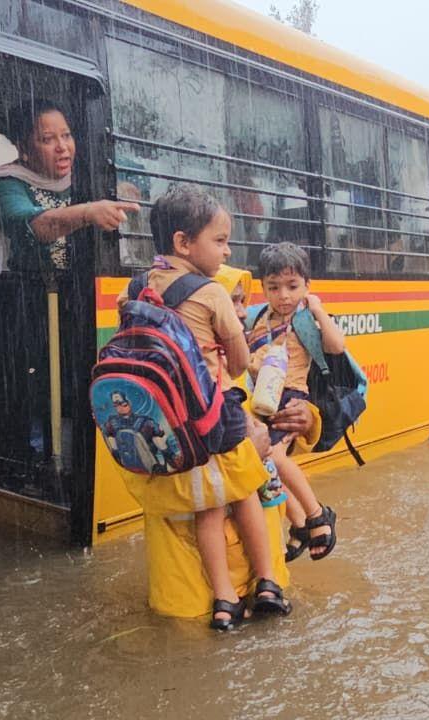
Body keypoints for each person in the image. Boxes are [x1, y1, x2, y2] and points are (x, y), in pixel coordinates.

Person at [116, 185, 288, 630]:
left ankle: (224, 601)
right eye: (220, 240)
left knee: (207, 505)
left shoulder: (134, 287)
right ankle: (267, 580)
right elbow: (236, 361)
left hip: (166, 421)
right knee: (245, 488)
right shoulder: (211, 293)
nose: (227, 250)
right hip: (212, 412)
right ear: (183, 243)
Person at [0, 99, 139, 293]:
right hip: (25, 298)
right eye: (47, 139)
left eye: (66, 135)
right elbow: (30, 225)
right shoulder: (6, 185)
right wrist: (87, 213)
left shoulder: (88, 178)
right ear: (23, 148)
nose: (62, 146)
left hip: (85, 294)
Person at [246, 242, 345, 561]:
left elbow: (336, 347)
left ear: (306, 286)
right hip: (263, 396)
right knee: (262, 463)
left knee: (273, 455)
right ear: (262, 287)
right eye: (273, 287)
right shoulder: (257, 319)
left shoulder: (305, 320)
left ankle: (318, 515)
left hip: (291, 397)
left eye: (292, 286)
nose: (284, 295)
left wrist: (317, 310)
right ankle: (300, 524)